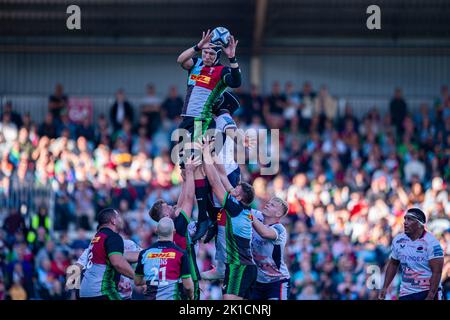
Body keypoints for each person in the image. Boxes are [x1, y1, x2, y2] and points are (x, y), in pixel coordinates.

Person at [176, 29, 242, 242]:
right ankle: (209, 217)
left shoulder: (221, 71)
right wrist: (197, 45)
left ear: (218, 56)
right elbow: (180, 60)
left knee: (195, 167)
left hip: (200, 122)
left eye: (212, 54)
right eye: (205, 52)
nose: (208, 56)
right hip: (186, 121)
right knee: (186, 168)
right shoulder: (195, 65)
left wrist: (232, 57)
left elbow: (236, 81)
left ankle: (205, 217)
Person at [201, 138, 257, 300]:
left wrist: (205, 154)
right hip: (239, 266)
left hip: (239, 266)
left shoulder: (234, 208)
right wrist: (212, 152)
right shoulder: (237, 205)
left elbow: (214, 181)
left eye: (235, 189)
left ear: (238, 196)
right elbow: (222, 174)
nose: (231, 189)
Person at [148, 155, 202, 299]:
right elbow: (189, 199)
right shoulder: (178, 226)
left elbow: (180, 203)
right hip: (189, 276)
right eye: (167, 206)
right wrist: (190, 172)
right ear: (165, 215)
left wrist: (184, 179)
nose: (172, 206)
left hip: (174, 281)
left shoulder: (172, 225)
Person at [379, 208, 444, 300]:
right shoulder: (398, 240)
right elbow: (393, 264)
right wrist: (385, 287)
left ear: (419, 224)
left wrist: (431, 295)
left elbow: (437, 272)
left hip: (427, 291)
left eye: (410, 219)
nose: (405, 222)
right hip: (406, 292)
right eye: (405, 219)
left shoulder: (432, 243)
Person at [79, 208, 135, 300]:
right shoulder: (113, 237)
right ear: (113, 221)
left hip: (85, 292)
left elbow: (125, 256)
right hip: (101, 291)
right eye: (118, 217)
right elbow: (118, 263)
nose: (121, 220)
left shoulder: (96, 238)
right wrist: (136, 278)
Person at [134, 217, 194, 300]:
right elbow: (188, 286)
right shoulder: (181, 254)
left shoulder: (144, 253)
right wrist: (191, 296)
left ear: (156, 231)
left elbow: (137, 281)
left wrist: (153, 282)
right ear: (174, 232)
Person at [250, 197, 291, 300]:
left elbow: (265, 233)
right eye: (268, 203)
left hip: (277, 281)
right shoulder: (257, 216)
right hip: (257, 281)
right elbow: (241, 207)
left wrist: (248, 214)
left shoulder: (280, 229)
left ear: (278, 214)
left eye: (272, 205)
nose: (267, 204)